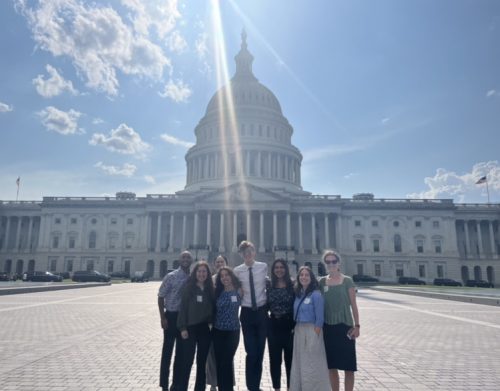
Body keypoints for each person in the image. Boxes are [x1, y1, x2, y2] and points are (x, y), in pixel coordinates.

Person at [319, 250, 360, 391]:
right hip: (328, 328)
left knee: (349, 367)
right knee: (332, 366)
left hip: (345, 327)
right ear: (325, 264)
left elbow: (353, 305)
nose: (331, 264)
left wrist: (357, 326)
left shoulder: (347, 280)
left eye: (333, 261)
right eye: (328, 262)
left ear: (338, 263)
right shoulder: (322, 282)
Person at [233, 240, 268, 391]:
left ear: (254, 252)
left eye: (250, 251)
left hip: (261, 312)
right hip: (246, 312)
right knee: (251, 351)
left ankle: (256, 385)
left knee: (260, 351)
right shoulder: (237, 271)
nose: (248, 254)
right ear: (241, 254)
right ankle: (251, 385)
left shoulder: (263, 267)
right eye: (245, 252)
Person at [290, 266, 330, 391]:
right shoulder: (298, 294)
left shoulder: (316, 295)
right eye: (301, 275)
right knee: (300, 361)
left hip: (312, 330)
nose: (304, 277)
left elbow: (320, 319)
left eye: (307, 275)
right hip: (299, 330)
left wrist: (315, 335)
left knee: (312, 361)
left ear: (311, 278)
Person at [176, 261, 215, 391]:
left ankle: (199, 388)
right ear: (195, 273)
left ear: (207, 274)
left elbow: (213, 308)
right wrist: (182, 328)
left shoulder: (210, 289)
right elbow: (183, 309)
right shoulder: (189, 288)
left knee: (202, 362)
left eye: (204, 271)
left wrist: (211, 322)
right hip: (190, 328)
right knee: (187, 361)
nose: (202, 274)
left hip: (204, 329)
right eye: (199, 271)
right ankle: (182, 388)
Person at [157, 251, 193, 391]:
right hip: (171, 317)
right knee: (167, 352)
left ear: (191, 260)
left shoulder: (192, 278)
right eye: (183, 257)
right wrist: (162, 317)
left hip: (185, 320)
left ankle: (176, 384)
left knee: (181, 353)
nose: (185, 259)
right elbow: (160, 297)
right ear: (179, 260)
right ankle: (164, 385)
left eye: (188, 257)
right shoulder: (171, 277)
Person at [212, 266, 242, 391]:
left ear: (231, 276)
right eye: (222, 276)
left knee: (227, 360)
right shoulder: (217, 291)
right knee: (220, 362)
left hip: (233, 331)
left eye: (227, 275)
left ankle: (227, 388)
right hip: (218, 331)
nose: (225, 278)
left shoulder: (239, 291)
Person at [267, 259, 295, 391]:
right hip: (273, 325)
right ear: (273, 270)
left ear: (286, 269)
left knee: (290, 360)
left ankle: (290, 387)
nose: (279, 270)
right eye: (276, 267)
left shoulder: (293, 285)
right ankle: (276, 388)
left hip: (289, 326)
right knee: (275, 360)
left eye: (281, 267)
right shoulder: (269, 285)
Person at [206, 255, 229, 391]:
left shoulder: (232, 280)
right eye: (218, 262)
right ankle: (213, 383)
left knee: (227, 354)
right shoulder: (211, 281)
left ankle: (226, 382)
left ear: (226, 263)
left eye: (222, 262)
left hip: (227, 324)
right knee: (212, 354)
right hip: (213, 322)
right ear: (214, 265)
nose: (220, 264)